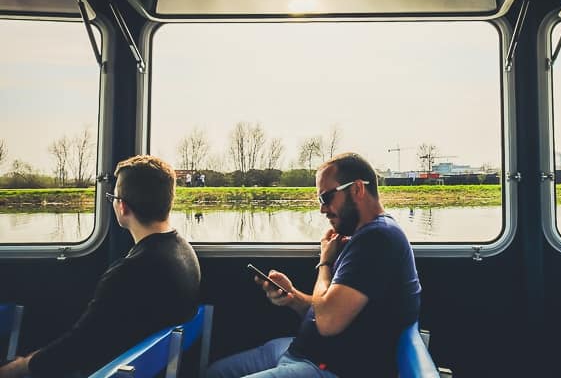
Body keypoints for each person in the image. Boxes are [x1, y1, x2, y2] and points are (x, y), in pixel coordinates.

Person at [208, 152, 421, 378]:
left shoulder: (378, 239)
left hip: (332, 368)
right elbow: (332, 309)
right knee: (214, 373)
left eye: (326, 198)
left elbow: (328, 321)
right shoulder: (363, 237)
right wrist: (292, 297)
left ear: (357, 189)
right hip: (302, 353)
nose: (322, 209)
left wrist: (325, 262)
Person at [0, 155, 201, 378]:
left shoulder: (129, 273)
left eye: (112, 197)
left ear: (122, 206)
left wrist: (16, 368)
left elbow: (77, 349)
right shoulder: (184, 251)